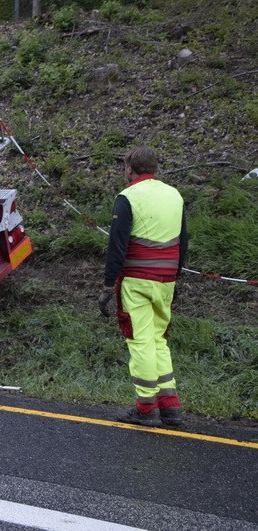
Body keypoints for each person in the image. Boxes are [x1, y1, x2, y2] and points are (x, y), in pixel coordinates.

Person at [98, 146, 188, 427]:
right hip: (166, 280)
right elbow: (183, 240)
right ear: (155, 167)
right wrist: (176, 276)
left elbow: (117, 246)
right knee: (159, 339)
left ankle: (146, 408)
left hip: (136, 281)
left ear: (129, 169)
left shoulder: (128, 197)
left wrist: (107, 285)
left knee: (140, 341)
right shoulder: (174, 194)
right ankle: (170, 406)